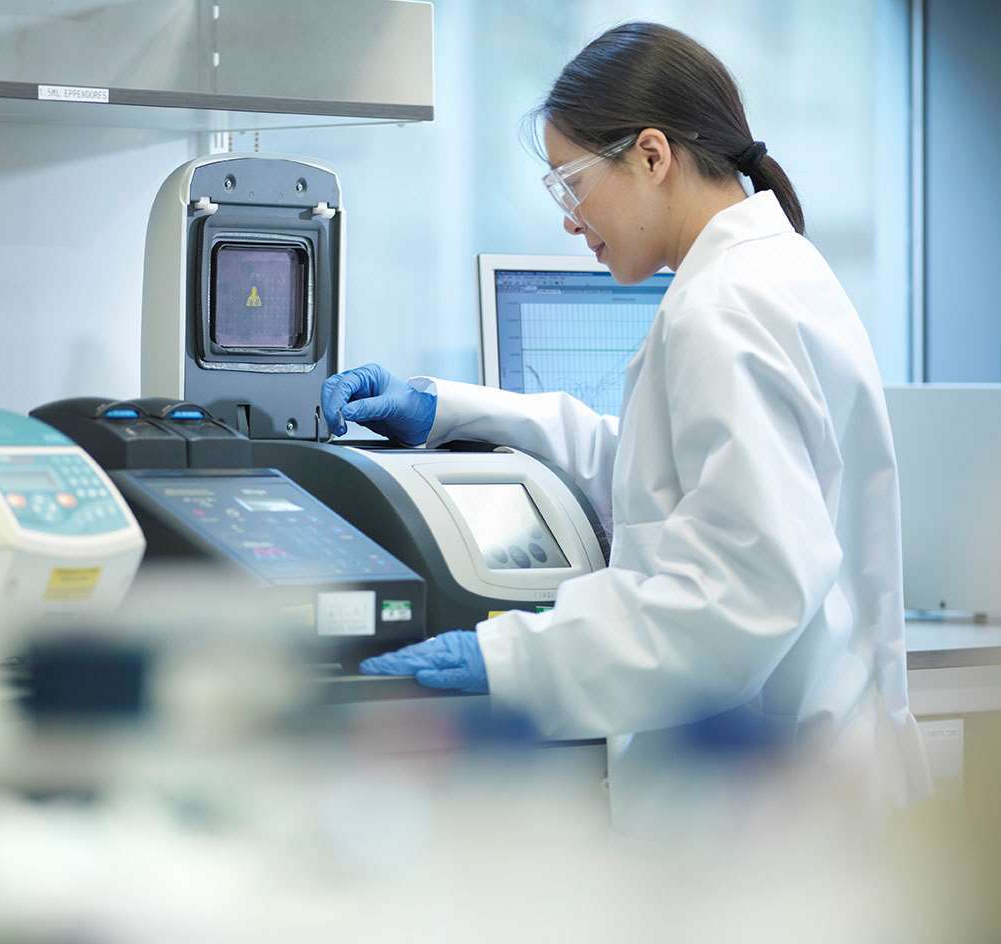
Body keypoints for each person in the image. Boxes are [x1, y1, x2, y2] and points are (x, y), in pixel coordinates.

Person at [322, 22, 929, 833]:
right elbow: (663, 476)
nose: (570, 219)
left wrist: (508, 661)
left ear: (651, 155)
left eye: (569, 182)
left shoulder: (724, 309)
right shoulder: (770, 272)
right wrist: (450, 409)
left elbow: (735, 599)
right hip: (814, 773)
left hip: (769, 807)